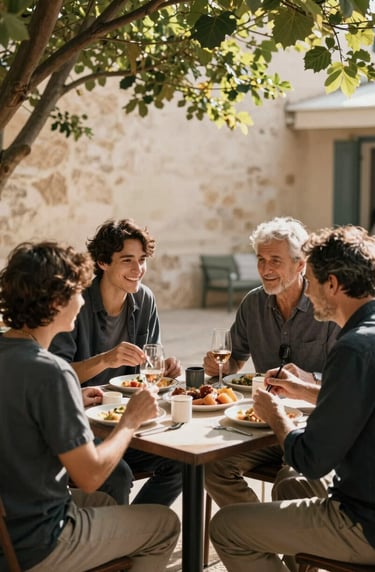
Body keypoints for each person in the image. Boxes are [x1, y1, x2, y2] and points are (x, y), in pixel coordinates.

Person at [0, 241, 180, 572]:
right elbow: (91, 475)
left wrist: (71, 400)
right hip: (40, 538)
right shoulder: (51, 371)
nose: (83, 300)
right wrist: (130, 419)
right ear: (56, 302)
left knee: (108, 504)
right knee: (164, 524)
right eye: (78, 292)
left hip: (9, 524)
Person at [210, 224, 375, 571]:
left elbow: (311, 459)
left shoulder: (354, 348)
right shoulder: (366, 335)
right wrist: (304, 391)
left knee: (226, 528)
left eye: (312, 280)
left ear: (331, 284)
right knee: (289, 490)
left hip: (361, 522)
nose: (309, 291)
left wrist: (276, 415)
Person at [203, 216, 340, 507]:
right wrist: (220, 368)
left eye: (275, 261)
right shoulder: (253, 303)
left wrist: (309, 378)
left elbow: (347, 387)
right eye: (261, 259)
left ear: (300, 264)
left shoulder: (326, 308)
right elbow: (235, 361)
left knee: (293, 481)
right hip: (260, 424)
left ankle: (272, 536)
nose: (265, 269)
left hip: (313, 427)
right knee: (213, 467)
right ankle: (255, 535)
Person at [50, 218, 183, 506]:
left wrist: (166, 369)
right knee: (117, 475)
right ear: (102, 262)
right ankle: (117, 542)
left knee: (181, 462)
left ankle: (140, 533)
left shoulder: (145, 299)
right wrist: (106, 360)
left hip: (128, 420)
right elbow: (56, 376)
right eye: (127, 260)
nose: (138, 270)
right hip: (83, 424)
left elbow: (151, 363)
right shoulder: (77, 304)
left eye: (142, 259)